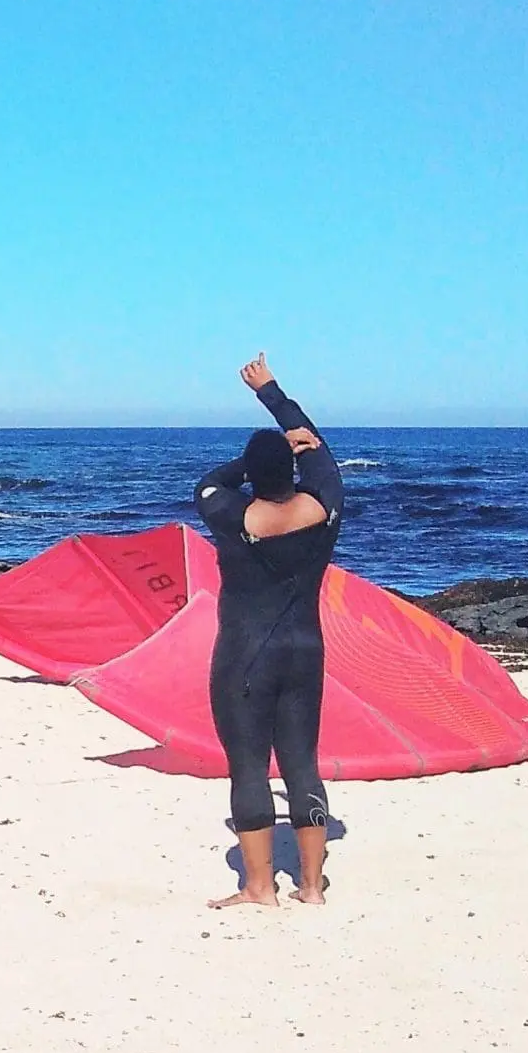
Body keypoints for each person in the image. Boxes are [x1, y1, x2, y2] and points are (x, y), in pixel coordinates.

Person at [193, 354, 345, 909]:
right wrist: (274, 397)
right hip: (305, 652)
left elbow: (210, 483)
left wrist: (256, 459)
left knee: (249, 768)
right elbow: (321, 453)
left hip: (244, 659)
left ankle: (260, 888)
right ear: (294, 468)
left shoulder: (231, 516)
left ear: (255, 475)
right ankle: (311, 887)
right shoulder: (326, 505)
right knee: (302, 762)